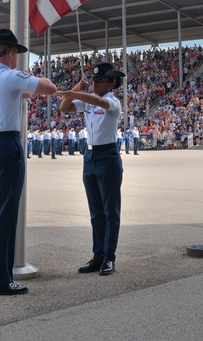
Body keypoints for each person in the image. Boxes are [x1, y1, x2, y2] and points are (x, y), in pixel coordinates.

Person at [0, 28, 56, 297]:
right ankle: (0, 280)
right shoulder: (11, 76)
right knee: (6, 216)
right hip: (6, 146)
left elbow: (17, 96)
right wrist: (35, 78)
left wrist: (26, 90)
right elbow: (49, 88)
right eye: (16, 54)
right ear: (10, 53)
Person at [58, 62, 125, 277]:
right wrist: (76, 89)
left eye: (100, 80)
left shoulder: (113, 102)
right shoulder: (87, 101)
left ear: (111, 83)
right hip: (90, 155)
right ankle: (97, 256)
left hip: (108, 155)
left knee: (110, 211)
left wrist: (76, 93)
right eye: (94, 80)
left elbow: (97, 101)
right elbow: (64, 107)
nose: (95, 83)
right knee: (96, 212)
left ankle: (109, 257)